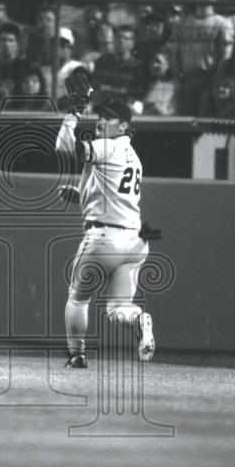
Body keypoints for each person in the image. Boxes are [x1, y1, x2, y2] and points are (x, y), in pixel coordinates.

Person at [54, 78, 159, 368]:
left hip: (103, 240)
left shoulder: (108, 147)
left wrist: (74, 111)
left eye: (108, 118)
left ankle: (77, 355)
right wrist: (80, 196)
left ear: (124, 126)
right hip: (135, 243)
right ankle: (140, 319)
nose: (100, 121)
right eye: (99, 116)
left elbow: (63, 147)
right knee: (118, 309)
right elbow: (112, 197)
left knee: (77, 297)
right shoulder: (134, 158)